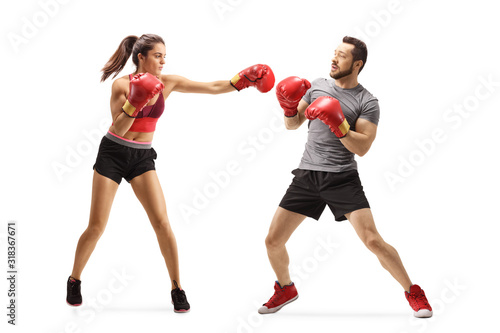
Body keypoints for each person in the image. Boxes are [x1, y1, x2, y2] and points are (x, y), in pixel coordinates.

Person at [66, 34, 275, 313]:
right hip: (113, 153)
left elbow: (212, 87)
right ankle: (74, 279)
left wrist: (243, 79)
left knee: (162, 223)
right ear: (141, 57)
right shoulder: (121, 85)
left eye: (165, 56)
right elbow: (119, 130)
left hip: (142, 156)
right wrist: (136, 101)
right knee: (97, 226)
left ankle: (177, 288)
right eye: (157, 56)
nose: (163, 61)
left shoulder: (169, 83)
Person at [258, 36, 433, 318]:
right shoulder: (316, 86)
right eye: (334, 53)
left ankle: (413, 292)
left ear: (357, 64)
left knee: (373, 240)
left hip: (342, 178)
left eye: (341, 56)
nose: (334, 59)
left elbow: (362, 147)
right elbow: (292, 125)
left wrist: (338, 123)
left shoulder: (367, 101)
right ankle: (286, 288)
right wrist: (289, 108)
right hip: (307, 175)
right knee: (272, 240)